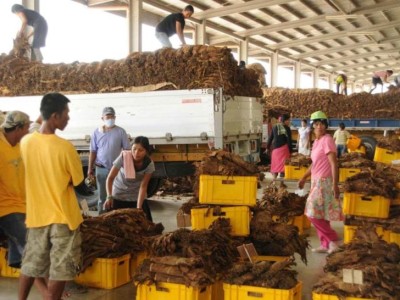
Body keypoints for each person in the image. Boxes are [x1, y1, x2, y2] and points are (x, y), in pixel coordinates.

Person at [19, 93, 84, 300]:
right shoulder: (65, 148)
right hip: (64, 218)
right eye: (66, 114)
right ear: (55, 116)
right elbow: (77, 181)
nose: (68, 118)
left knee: (31, 263)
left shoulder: (26, 142)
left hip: (37, 215)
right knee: (60, 267)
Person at [298, 111, 343, 254]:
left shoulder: (327, 139)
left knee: (311, 213)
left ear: (326, 125)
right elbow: (314, 164)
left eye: (322, 124)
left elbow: (333, 164)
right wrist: (304, 177)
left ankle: (332, 239)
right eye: (316, 124)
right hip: (315, 181)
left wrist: (335, 185)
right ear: (312, 126)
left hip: (324, 182)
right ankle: (325, 244)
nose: (320, 126)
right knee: (321, 214)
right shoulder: (317, 142)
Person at [0, 111, 30, 269]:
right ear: (18, 128)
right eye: (27, 128)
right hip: (6, 209)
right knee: (33, 249)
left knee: (23, 259)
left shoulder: (20, 147)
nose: (28, 132)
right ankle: (56, 290)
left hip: (22, 206)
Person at [87, 107, 130, 214]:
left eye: (112, 116)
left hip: (116, 169)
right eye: (107, 116)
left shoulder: (121, 131)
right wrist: (90, 168)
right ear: (102, 118)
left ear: (115, 117)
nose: (110, 118)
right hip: (101, 168)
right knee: (102, 195)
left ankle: (115, 216)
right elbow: (93, 151)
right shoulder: (96, 132)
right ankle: (102, 216)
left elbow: (127, 151)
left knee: (116, 194)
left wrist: (127, 169)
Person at [104, 136, 155, 221]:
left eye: (141, 150)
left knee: (145, 223)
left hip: (136, 196)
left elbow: (143, 186)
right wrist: (109, 196)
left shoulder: (149, 164)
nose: (136, 153)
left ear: (146, 151)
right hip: (119, 194)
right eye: (134, 149)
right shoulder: (124, 156)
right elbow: (110, 178)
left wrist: (138, 209)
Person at [266, 114, 293, 179]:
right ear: (285, 120)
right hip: (284, 150)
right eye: (288, 120)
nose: (289, 121)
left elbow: (270, 138)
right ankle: (282, 180)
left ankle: (274, 180)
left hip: (275, 150)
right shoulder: (287, 128)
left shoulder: (275, 127)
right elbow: (289, 140)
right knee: (283, 167)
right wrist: (291, 150)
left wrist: (267, 148)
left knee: (275, 167)